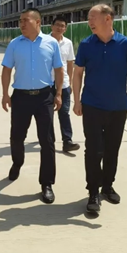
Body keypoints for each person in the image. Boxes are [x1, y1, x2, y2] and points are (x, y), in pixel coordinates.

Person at [72, 4, 127, 213]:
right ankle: (93, 192)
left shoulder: (126, 44)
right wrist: (77, 100)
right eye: (88, 17)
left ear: (108, 18)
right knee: (93, 150)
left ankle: (107, 186)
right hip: (92, 105)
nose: (89, 21)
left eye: (93, 17)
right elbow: (77, 73)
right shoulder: (86, 44)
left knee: (111, 149)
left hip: (118, 107)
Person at [1, 8, 64, 204]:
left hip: (44, 96)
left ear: (38, 22)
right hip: (21, 97)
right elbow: (6, 70)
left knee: (47, 140)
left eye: (25, 20)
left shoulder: (51, 43)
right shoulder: (14, 44)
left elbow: (59, 70)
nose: (21, 24)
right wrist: (5, 94)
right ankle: (17, 163)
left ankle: (47, 183)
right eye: (20, 20)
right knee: (17, 136)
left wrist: (59, 93)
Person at [49, 16, 81, 152]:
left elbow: (69, 63)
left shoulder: (68, 43)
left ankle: (67, 141)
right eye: (57, 25)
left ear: (65, 29)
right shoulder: (44, 41)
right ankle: (48, 141)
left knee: (64, 113)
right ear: (51, 26)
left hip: (64, 84)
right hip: (47, 83)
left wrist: (70, 83)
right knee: (47, 115)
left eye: (62, 26)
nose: (59, 28)